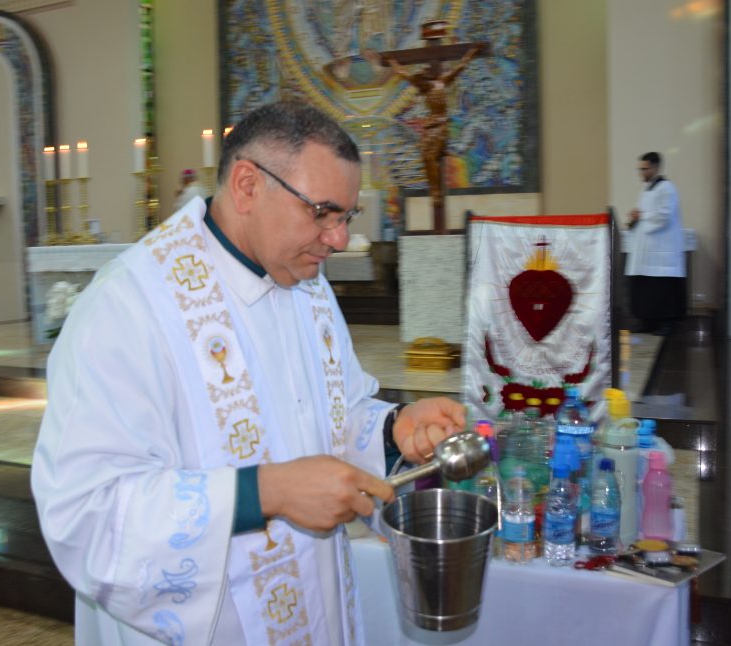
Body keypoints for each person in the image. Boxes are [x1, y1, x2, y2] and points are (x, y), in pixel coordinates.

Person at [31, 101, 466, 645]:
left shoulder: (307, 287)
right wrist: (264, 492)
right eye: (322, 212)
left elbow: (332, 416)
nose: (338, 239)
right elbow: (87, 512)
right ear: (246, 186)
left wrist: (393, 427)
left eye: (346, 217)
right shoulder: (127, 307)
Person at [383, 46, 478, 214]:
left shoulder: (442, 82)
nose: (422, 80)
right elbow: (403, 74)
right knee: (427, 157)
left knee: (428, 156)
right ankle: (435, 189)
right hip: (432, 126)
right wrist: (392, 62)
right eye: (421, 77)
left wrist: (471, 53)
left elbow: (460, 67)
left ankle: (435, 191)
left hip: (440, 126)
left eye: (424, 75)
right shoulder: (424, 87)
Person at [624, 151, 686, 336]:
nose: (642, 173)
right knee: (645, 286)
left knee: (661, 287)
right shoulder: (646, 189)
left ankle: (666, 323)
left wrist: (642, 216)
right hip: (646, 249)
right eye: (640, 169)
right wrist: (636, 216)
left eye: (645, 169)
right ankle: (647, 321)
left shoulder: (667, 188)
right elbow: (644, 213)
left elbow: (664, 216)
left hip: (661, 248)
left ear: (656, 167)